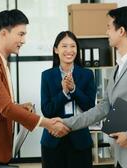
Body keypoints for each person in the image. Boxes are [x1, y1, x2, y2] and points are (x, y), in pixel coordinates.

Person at [55, 6, 127, 168]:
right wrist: (67, 123)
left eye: (109, 27)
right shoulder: (118, 67)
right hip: (121, 157)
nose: (107, 32)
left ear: (121, 31)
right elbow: (103, 108)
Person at [0, 9, 69, 166]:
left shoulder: (0, 59)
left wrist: (18, 107)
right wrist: (47, 123)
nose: (24, 40)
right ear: (4, 33)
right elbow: (5, 108)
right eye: (20, 34)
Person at [40, 31, 96, 168]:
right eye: (64, 46)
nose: (69, 50)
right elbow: (47, 111)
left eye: (73, 46)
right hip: (53, 140)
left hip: (80, 139)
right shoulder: (47, 76)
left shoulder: (87, 75)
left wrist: (74, 90)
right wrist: (64, 93)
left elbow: (90, 107)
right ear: (56, 49)